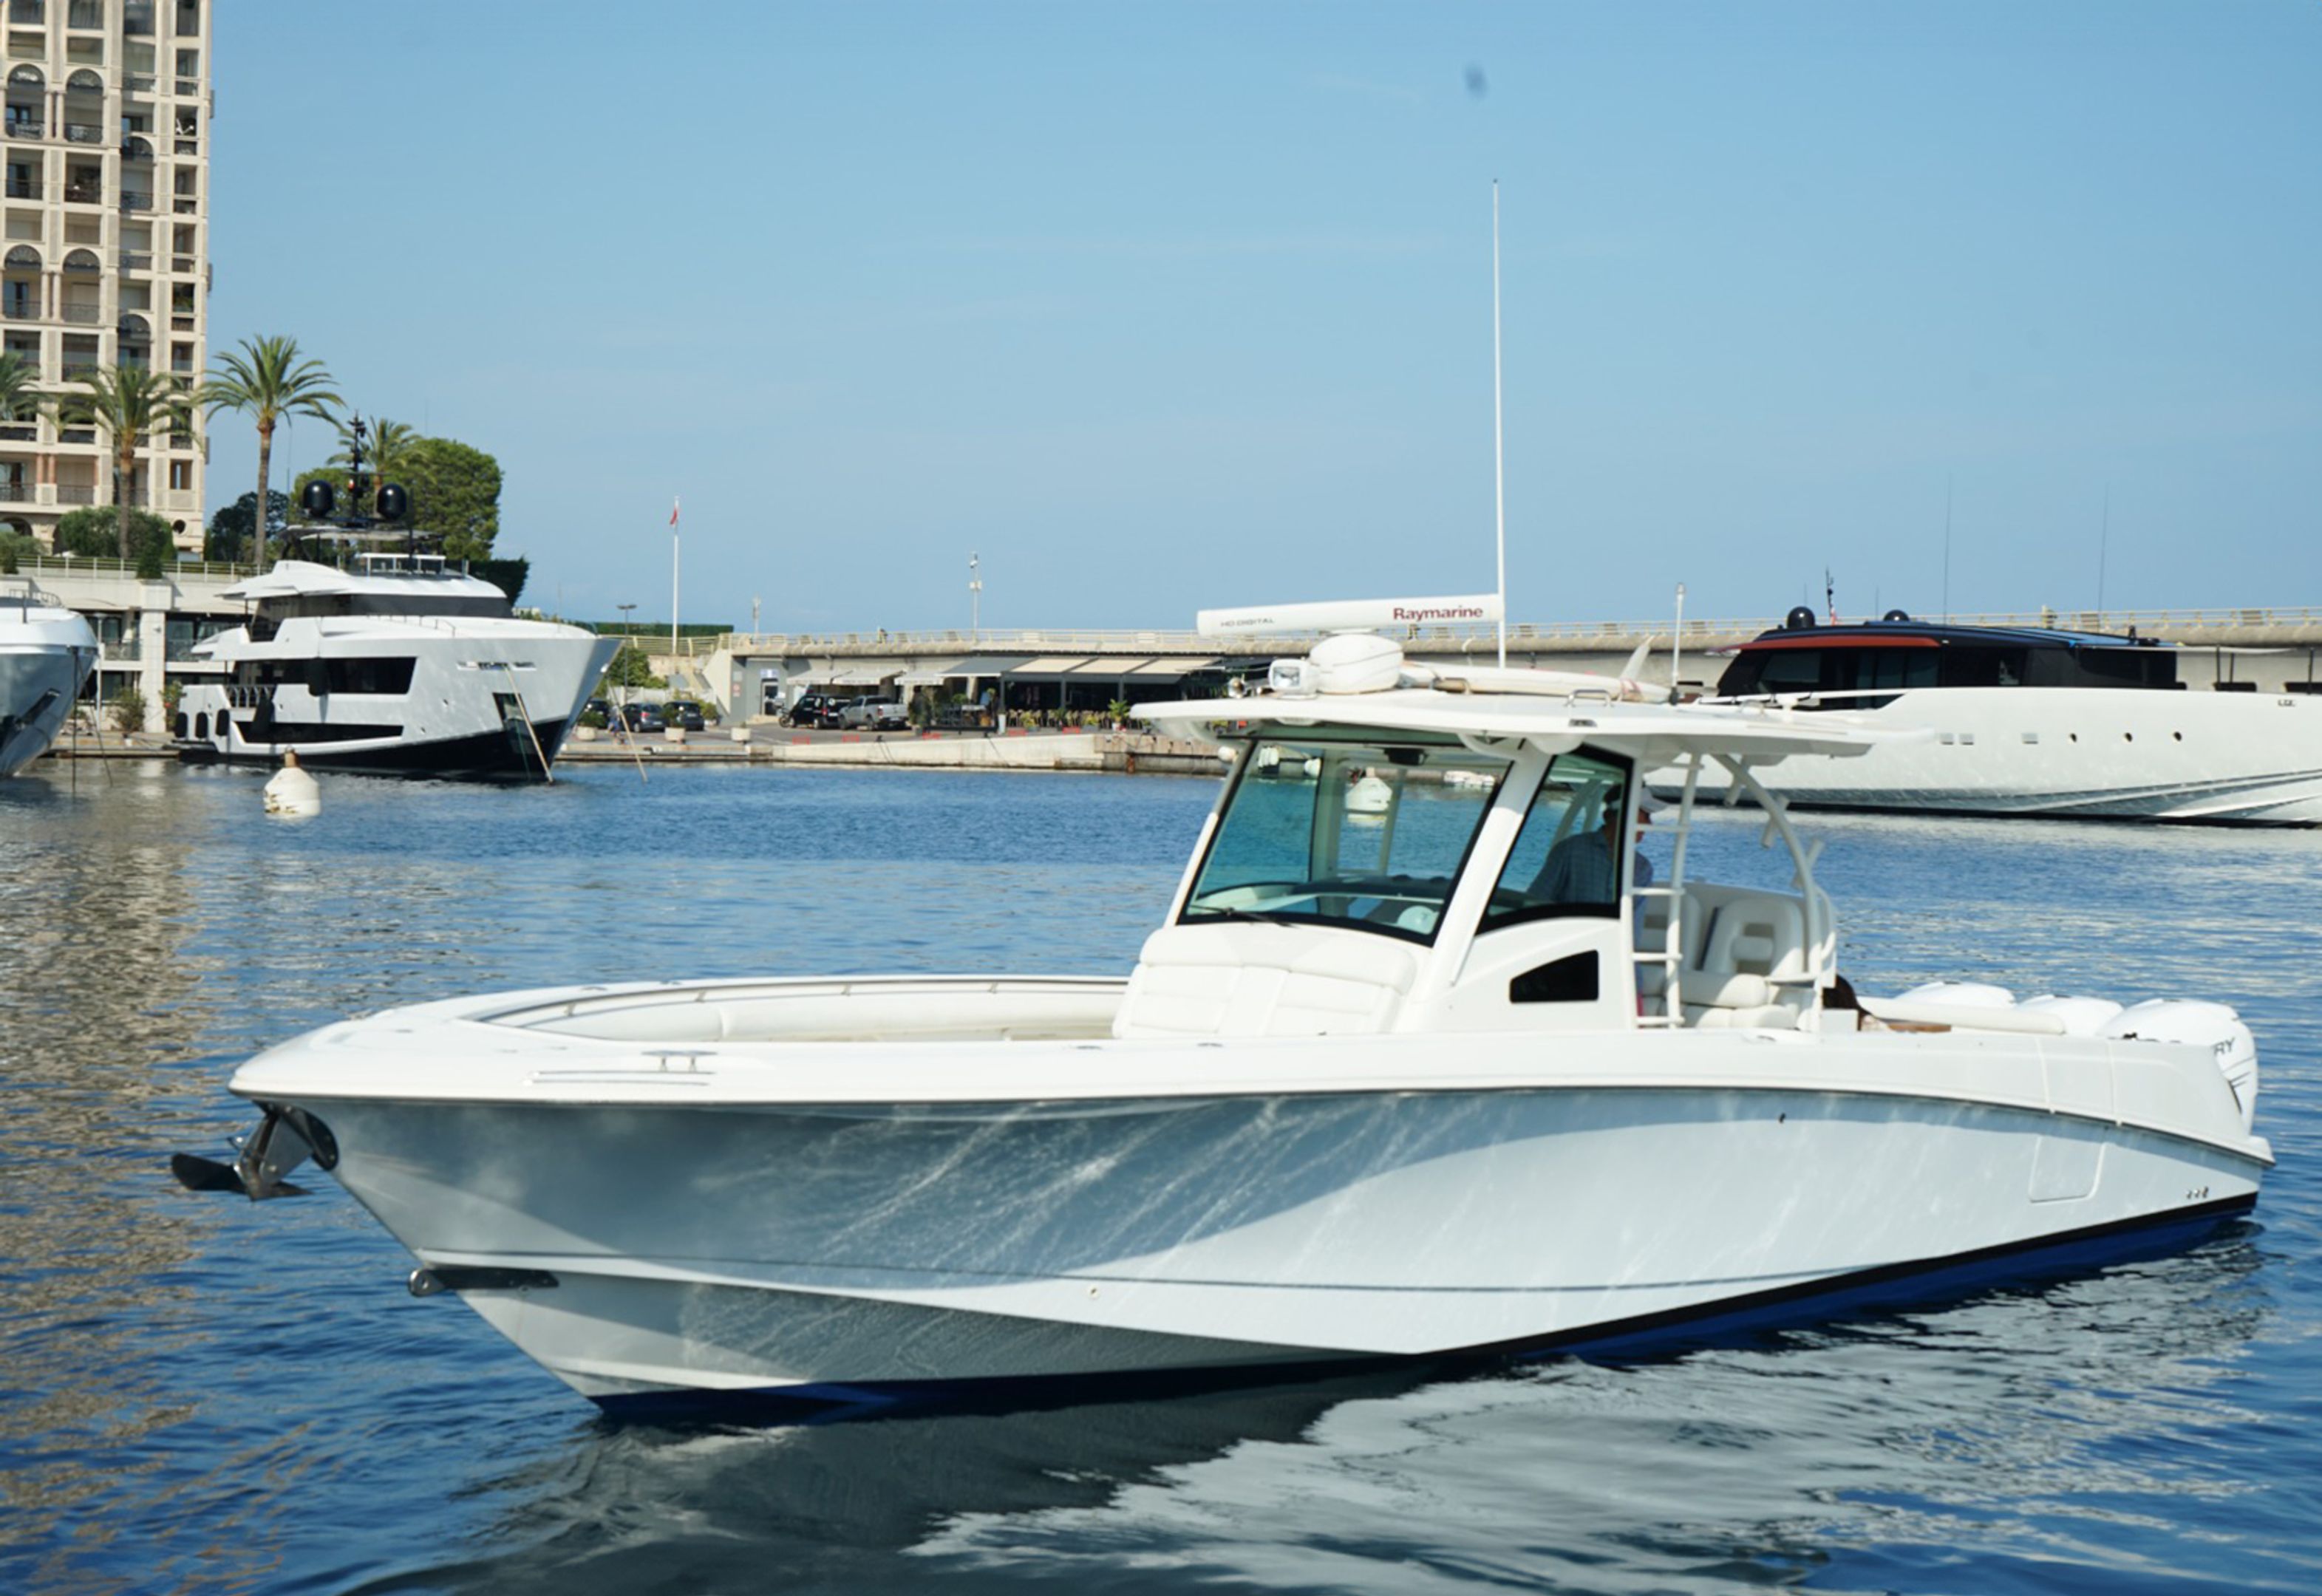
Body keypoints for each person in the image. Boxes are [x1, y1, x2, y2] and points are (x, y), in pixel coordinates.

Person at [1533, 791, 1656, 906]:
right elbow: (1535, 901)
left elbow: (1632, 924)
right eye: (1646, 815)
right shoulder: (1570, 851)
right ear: (1620, 814)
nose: (1649, 824)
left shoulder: (1643, 868)